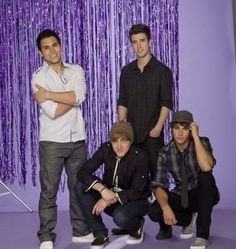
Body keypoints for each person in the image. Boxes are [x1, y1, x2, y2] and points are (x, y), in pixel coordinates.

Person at [31, 29, 92, 249]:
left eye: (54, 45)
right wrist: (71, 98)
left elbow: (81, 95)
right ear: (41, 52)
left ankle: (80, 230)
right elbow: (53, 112)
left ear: (61, 46)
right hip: (52, 142)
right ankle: (46, 235)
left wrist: (48, 94)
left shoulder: (76, 70)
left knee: (78, 188)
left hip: (77, 139)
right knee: (49, 190)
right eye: (46, 47)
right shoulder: (39, 77)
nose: (52, 50)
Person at [148, 110, 220, 249]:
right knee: (154, 210)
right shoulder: (165, 152)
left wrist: (196, 137)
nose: (180, 133)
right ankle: (187, 219)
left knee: (206, 177)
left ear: (191, 129)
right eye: (176, 128)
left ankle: (202, 235)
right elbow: (158, 184)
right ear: (172, 130)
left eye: (184, 128)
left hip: (203, 194)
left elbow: (206, 167)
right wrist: (165, 207)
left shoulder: (202, 142)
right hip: (183, 195)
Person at [75, 121, 150, 249]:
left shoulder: (140, 157)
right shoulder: (106, 149)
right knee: (80, 187)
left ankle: (136, 225)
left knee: (120, 217)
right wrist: (102, 189)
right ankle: (100, 234)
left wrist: (108, 199)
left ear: (130, 141)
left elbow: (137, 191)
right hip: (110, 196)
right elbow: (83, 172)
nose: (119, 146)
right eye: (115, 141)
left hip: (136, 201)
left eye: (124, 140)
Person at [117, 23, 173, 180]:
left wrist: (157, 128)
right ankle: (140, 204)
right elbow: (123, 100)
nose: (139, 46)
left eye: (142, 40)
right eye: (134, 42)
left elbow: (166, 102)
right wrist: (121, 125)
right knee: (133, 177)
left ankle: (161, 204)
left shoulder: (162, 71)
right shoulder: (126, 71)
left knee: (157, 176)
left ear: (150, 42)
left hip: (152, 134)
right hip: (132, 134)